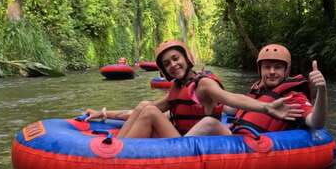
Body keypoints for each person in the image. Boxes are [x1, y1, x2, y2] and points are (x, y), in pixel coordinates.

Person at [83, 40, 304, 138]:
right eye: (167, 63)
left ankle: (118, 153)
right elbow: (137, 112)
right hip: (180, 137)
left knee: (149, 110)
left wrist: (267, 109)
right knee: (145, 105)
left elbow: (232, 98)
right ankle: (117, 146)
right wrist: (103, 114)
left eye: (176, 59)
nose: (173, 65)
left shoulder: (204, 84)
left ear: (187, 58)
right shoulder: (177, 88)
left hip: (196, 144)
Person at [184, 43, 327, 137]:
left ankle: (173, 153)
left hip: (251, 144)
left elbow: (316, 122)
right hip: (236, 134)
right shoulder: (258, 90)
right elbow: (232, 110)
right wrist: (209, 96)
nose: (271, 71)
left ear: (286, 71)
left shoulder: (293, 96)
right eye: (267, 67)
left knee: (209, 123)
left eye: (277, 67)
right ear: (260, 69)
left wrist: (322, 91)